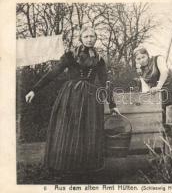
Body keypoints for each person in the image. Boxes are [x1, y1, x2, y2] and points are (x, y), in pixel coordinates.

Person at [25, 27, 119, 182]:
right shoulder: (70, 56)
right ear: (80, 38)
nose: (89, 39)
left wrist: (112, 104)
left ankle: (84, 169)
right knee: (69, 129)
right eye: (86, 36)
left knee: (87, 132)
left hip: (91, 99)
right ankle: (66, 168)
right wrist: (34, 90)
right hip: (71, 97)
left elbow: (104, 83)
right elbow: (53, 73)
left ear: (96, 38)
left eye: (92, 36)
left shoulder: (99, 59)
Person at [133, 46, 172, 139]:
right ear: (136, 60)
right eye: (138, 59)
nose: (142, 60)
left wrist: (158, 87)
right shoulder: (140, 70)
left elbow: (164, 72)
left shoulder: (158, 59)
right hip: (161, 95)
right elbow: (145, 88)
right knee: (165, 119)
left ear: (147, 55)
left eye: (143, 57)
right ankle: (171, 143)